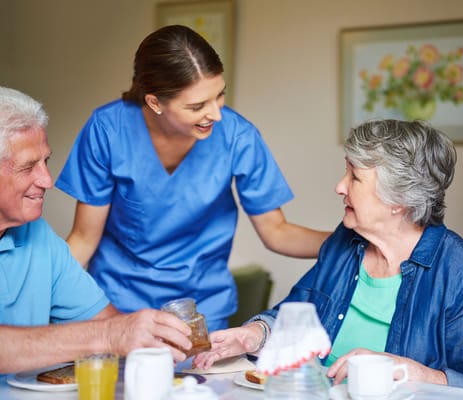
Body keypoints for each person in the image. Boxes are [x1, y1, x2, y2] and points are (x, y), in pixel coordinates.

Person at [193, 119, 463, 393]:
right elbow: (296, 315)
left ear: (397, 199)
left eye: (355, 177)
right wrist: (255, 335)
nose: (340, 187)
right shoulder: (345, 243)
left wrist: (404, 370)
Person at [55, 25, 330, 331]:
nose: (216, 114)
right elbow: (83, 239)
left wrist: (353, 241)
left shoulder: (238, 136)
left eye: (219, 95)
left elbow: (277, 231)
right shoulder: (108, 130)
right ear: (155, 102)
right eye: (197, 106)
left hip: (202, 311)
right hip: (118, 309)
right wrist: (36, 304)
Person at [0, 86, 194, 375]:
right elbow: (106, 334)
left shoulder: (37, 235)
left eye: (46, 161)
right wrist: (108, 336)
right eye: (28, 167)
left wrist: (149, 335)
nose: (47, 180)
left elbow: (105, 324)